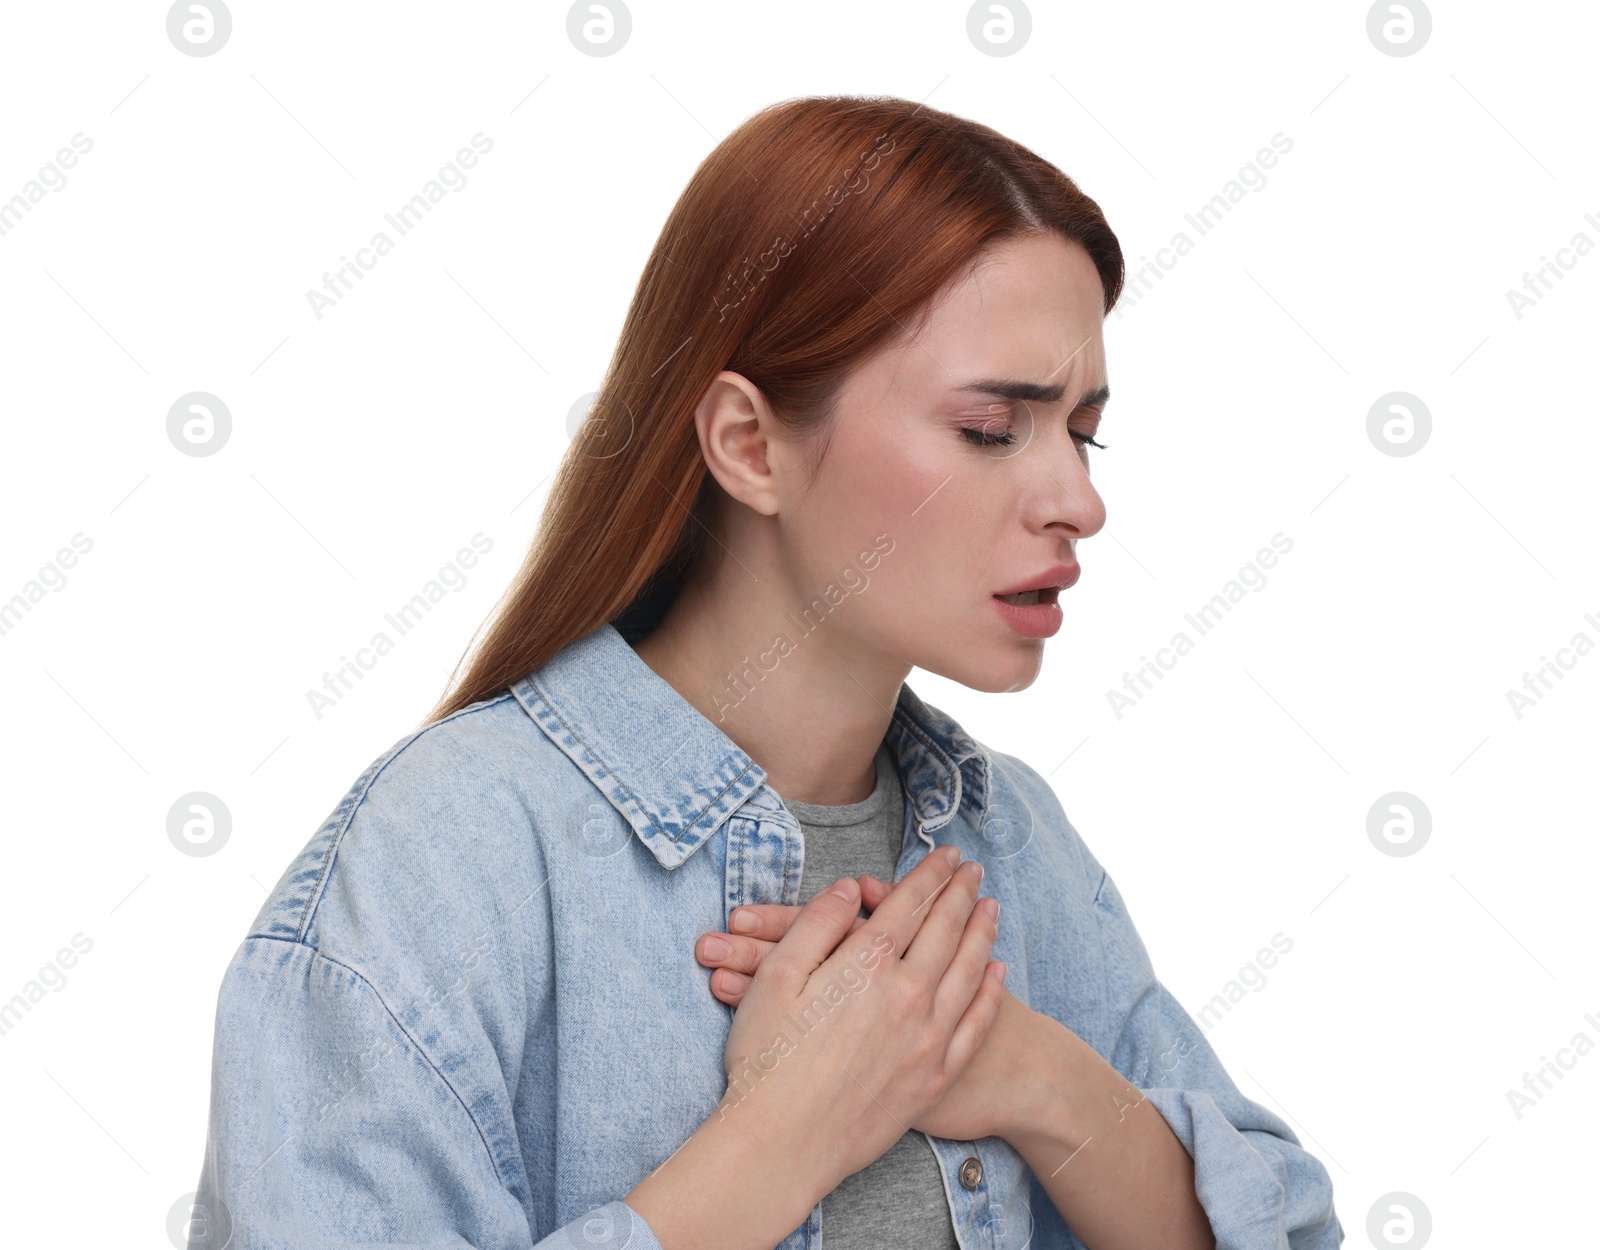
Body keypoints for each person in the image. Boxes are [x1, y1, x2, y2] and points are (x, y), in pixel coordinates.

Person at [190, 94, 1343, 1249]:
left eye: (1082, 433)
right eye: (993, 427)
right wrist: (791, 1127)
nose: (1079, 502)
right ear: (748, 443)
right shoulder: (441, 861)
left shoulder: (1014, 843)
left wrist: (1028, 1071)